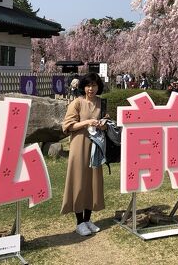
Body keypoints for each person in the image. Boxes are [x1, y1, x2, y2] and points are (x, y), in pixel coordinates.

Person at [61, 73, 106, 237]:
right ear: (83, 87)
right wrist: (87, 122)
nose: (91, 89)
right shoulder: (77, 103)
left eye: (94, 85)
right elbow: (68, 126)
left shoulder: (102, 102)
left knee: (92, 182)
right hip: (79, 145)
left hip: (96, 146)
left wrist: (103, 125)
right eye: (88, 85)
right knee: (78, 181)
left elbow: (107, 123)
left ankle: (88, 219)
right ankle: (79, 222)